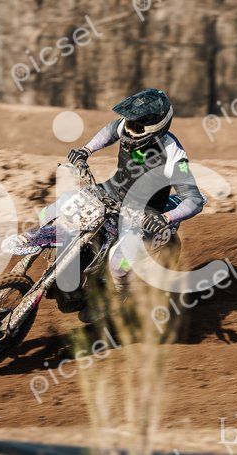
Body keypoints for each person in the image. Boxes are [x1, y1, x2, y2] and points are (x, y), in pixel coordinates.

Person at [67, 88, 206, 322]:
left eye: (136, 125)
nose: (129, 128)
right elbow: (110, 130)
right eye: (129, 121)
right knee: (66, 209)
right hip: (113, 191)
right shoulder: (127, 126)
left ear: (155, 127)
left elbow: (195, 200)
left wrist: (165, 218)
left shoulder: (174, 154)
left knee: (118, 263)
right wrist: (86, 150)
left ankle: (117, 296)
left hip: (146, 213)